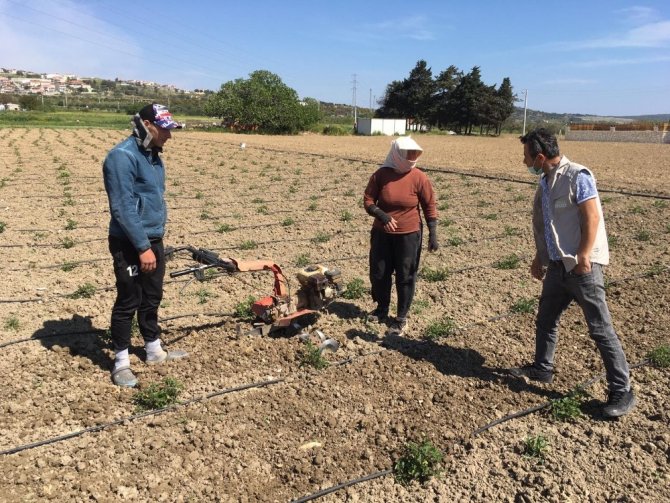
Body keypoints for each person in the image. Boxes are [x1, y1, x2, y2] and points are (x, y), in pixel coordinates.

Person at [511, 128, 635, 418]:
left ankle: (621, 389)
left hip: (582, 268)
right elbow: (550, 225)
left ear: (540, 156)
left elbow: (591, 215)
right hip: (557, 267)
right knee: (546, 319)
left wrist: (584, 254)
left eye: (527, 156)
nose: (524, 161)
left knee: (600, 328)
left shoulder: (578, 176)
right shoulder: (546, 182)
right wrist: (540, 257)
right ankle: (543, 367)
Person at [103, 103, 188, 388]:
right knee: (129, 300)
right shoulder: (121, 157)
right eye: (164, 129)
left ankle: (153, 350)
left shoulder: (152, 156)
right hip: (129, 242)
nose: (169, 135)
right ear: (147, 124)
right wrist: (142, 247)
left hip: (152, 238)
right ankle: (121, 361)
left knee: (152, 296)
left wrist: (152, 242)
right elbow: (123, 208)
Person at [363, 136, 438, 336]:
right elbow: (368, 200)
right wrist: (381, 215)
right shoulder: (380, 175)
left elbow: (429, 205)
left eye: (415, 153)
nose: (413, 157)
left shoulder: (419, 177)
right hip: (382, 234)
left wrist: (433, 233)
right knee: (379, 274)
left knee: (406, 276)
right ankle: (381, 309)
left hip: (409, 236)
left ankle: (401, 318)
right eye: (409, 153)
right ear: (397, 153)